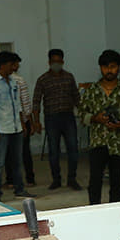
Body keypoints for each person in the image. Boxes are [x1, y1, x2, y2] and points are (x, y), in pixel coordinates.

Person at [78, 50, 120, 204]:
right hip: (98, 142)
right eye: (105, 67)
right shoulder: (91, 91)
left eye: (112, 66)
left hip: (118, 144)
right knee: (95, 182)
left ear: (118, 67)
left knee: (117, 183)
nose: (109, 70)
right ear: (100, 68)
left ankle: (114, 213)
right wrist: (94, 118)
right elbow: (81, 115)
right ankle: (94, 212)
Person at [0, 50, 34, 201]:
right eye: (12, 64)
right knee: (0, 162)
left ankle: (20, 189)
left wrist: (23, 124)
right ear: (3, 65)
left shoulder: (14, 82)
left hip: (16, 128)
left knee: (17, 161)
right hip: (2, 129)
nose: (14, 67)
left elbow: (18, 105)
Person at [31, 49, 81, 190]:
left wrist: (84, 113)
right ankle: (56, 180)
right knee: (53, 151)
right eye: (54, 61)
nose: (56, 64)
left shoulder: (69, 77)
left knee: (73, 148)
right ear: (49, 62)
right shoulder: (43, 79)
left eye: (59, 61)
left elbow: (76, 97)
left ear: (63, 62)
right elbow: (36, 101)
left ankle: (72, 179)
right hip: (51, 118)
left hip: (68, 117)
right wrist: (36, 121)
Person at [13, 69, 36, 186]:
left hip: (16, 122)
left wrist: (28, 123)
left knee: (15, 153)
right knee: (25, 152)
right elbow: (26, 105)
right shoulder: (18, 80)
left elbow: (24, 104)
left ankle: (13, 180)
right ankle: (29, 178)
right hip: (18, 121)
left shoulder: (16, 80)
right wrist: (29, 122)